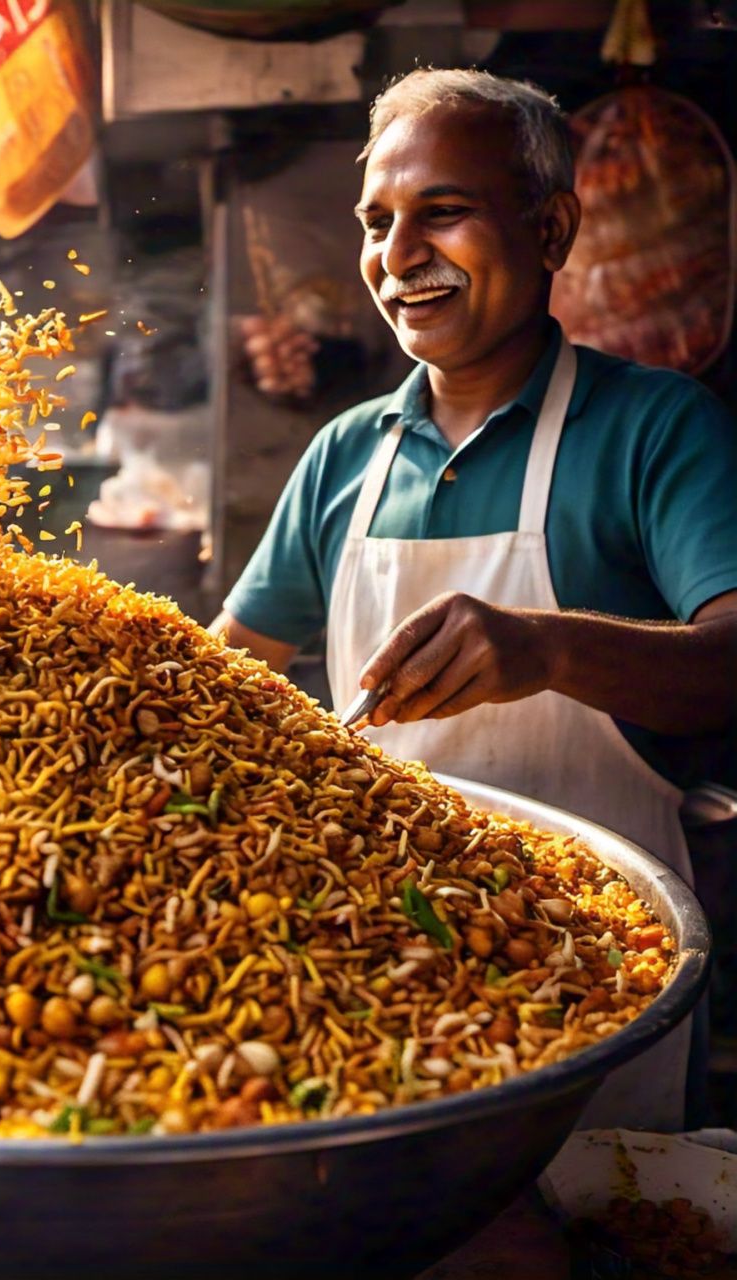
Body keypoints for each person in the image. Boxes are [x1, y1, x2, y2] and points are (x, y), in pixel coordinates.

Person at [213, 69, 737, 1132]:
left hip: (600, 972)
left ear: (549, 228)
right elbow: (223, 675)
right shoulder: (342, 458)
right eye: (375, 222)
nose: (396, 256)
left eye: (439, 213)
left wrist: (543, 648)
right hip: (376, 980)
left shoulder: (654, 429)